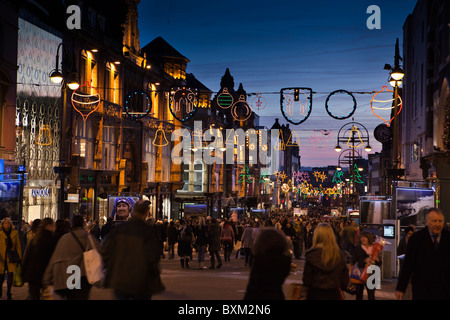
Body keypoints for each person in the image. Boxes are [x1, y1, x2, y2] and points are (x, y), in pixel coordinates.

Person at [101, 200, 164, 300]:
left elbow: (106, 252)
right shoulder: (148, 231)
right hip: (141, 281)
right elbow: (153, 257)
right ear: (146, 212)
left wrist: (111, 268)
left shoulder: (119, 229)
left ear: (132, 210)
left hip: (120, 279)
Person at [396, 208, 450, 300]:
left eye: (440, 221)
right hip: (422, 289)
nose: (437, 224)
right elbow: (408, 264)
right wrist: (401, 288)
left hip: (444, 289)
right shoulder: (416, 239)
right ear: (427, 222)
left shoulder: (448, 238)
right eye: (434, 221)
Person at [42, 215, 98, 300]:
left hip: (69, 272)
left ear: (72, 224)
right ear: (83, 224)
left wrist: (47, 278)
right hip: (84, 274)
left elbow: (55, 258)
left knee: (71, 296)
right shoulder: (89, 237)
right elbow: (99, 253)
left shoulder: (65, 238)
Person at [301, 223, 349, 300]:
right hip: (333, 293)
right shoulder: (338, 254)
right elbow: (345, 280)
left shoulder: (311, 255)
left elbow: (307, 280)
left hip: (315, 294)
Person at [244, 228, 292, 300]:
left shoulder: (260, 259)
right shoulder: (285, 260)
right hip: (277, 295)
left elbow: (253, 284)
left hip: (261, 296)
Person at [21, 218, 57, 300]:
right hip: (43, 274)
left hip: (32, 274)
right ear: (49, 226)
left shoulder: (35, 238)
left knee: (34, 296)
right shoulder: (51, 240)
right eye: (53, 225)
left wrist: (23, 271)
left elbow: (27, 255)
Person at [351, 231, 381, 300]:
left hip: (372, 274)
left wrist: (377, 260)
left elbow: (379, 263)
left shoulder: (374, 248)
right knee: (359, 294)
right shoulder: (357, 248)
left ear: (369, 238)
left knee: (371, 295)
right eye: (361, 238)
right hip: (361, 273)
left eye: (365, 237)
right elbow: (354, 261)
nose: (363, 239)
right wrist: (364, 260)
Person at [0, 218, 22, 300]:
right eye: (5, 223)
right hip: (2, 258)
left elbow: (18, 246)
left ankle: (9, 292)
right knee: (1, 276)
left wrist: (19, 257)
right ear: (2, 224)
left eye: (8, 223)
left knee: (10, 275)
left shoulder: (14, 233)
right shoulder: (0, 233)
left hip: (11, 257)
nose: (7, 225)